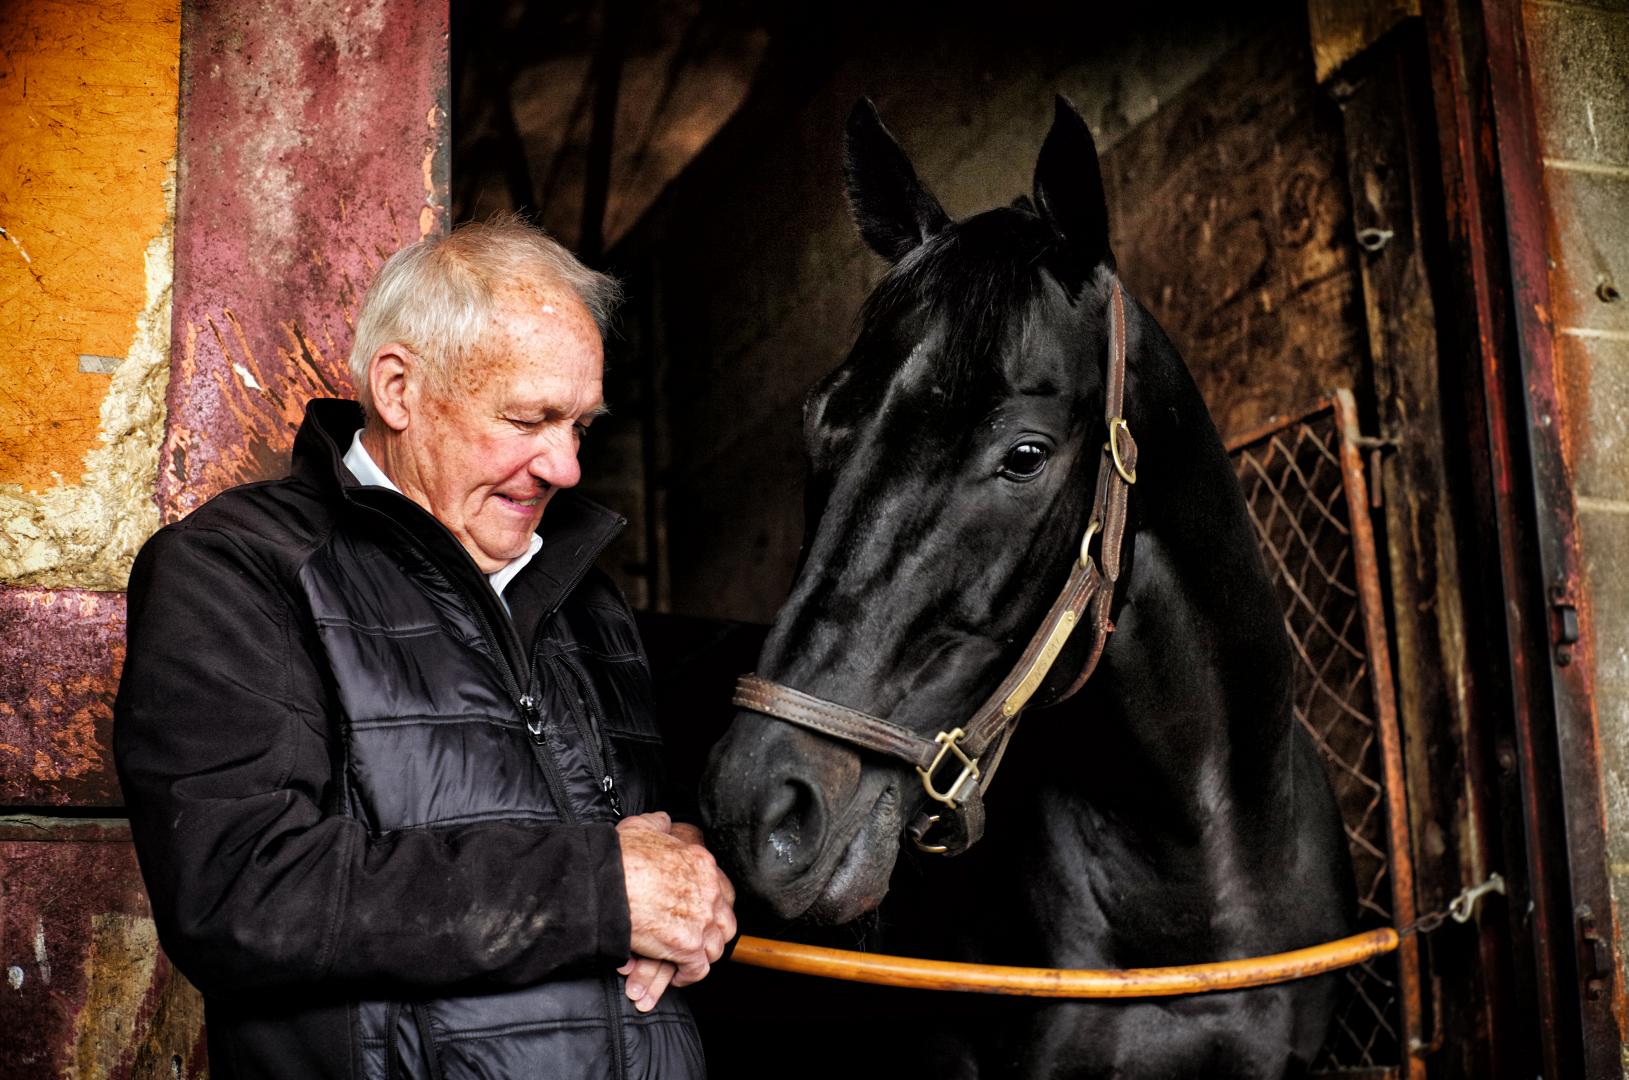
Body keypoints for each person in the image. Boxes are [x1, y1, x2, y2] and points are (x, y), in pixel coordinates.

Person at [114, 217, 736, 1079]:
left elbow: (646, 844)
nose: (565, 467)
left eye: (579, 426)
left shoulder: (586, 597)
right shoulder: (241, 568)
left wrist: (689, 877)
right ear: (399, 389)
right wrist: (599, 889)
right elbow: (241, 891)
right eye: (527, 418)